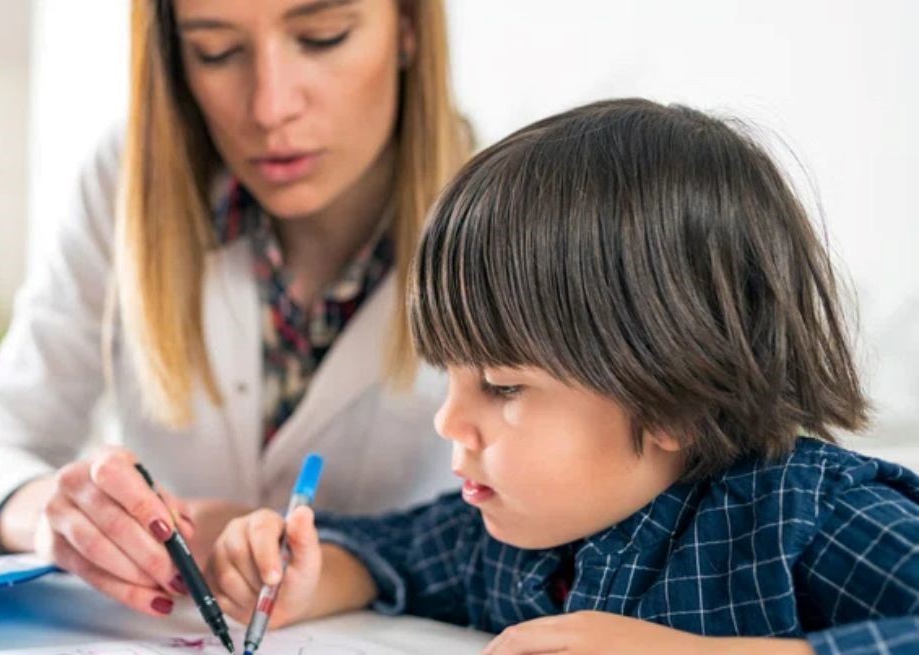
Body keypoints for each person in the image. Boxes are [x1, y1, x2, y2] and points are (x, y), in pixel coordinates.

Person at [208, 99, 919, 654]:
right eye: (450, 375)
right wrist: (311, 574)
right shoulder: (517, 528)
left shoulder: (812, 522)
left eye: (503, 386)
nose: (448, 420)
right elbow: (399, 555)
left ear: (678, 396)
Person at [0, 0, 471, 618]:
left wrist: (338, 557)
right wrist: (56, 516)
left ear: (407, 28)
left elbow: (559, 543)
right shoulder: (126, 182)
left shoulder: (520, 215)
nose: (270, 107)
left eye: (323, 38)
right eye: (215, 51)